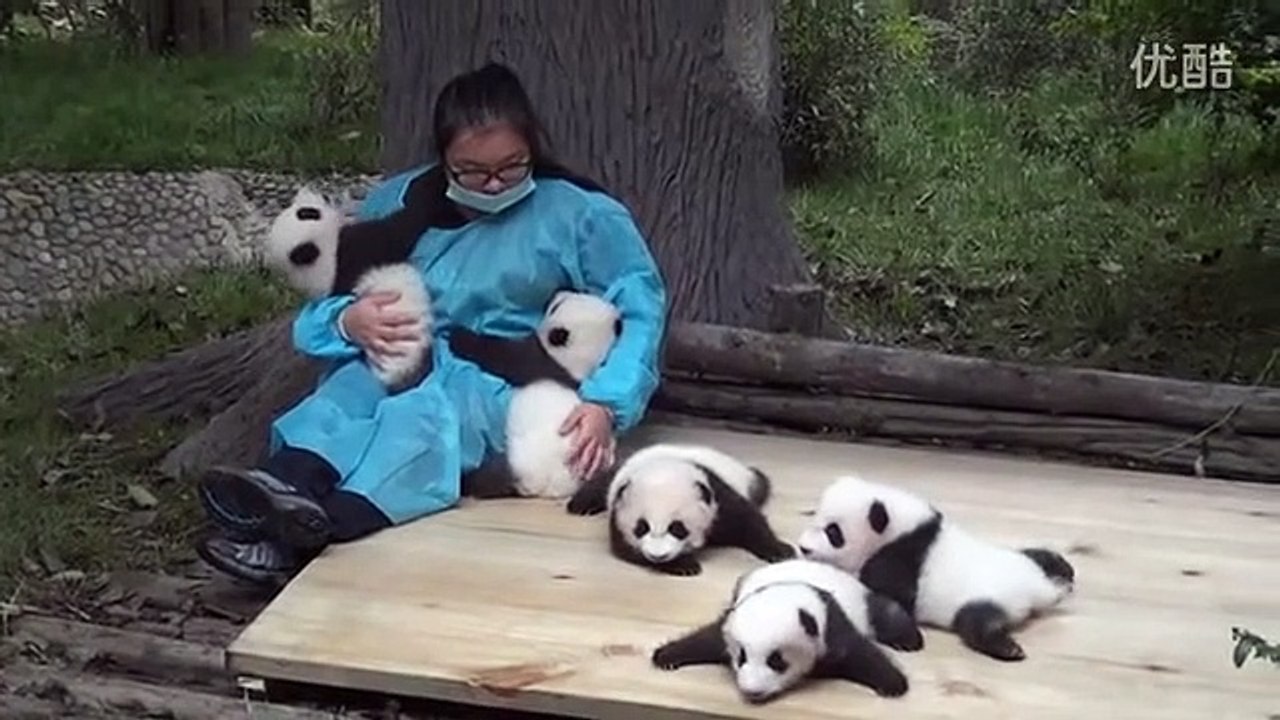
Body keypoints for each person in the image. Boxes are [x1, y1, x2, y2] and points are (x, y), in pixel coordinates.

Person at [195, 62, 668, 587]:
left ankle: (302, 533)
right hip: (407, 357)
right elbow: (336, 292)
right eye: (471, 170)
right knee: (349, 390)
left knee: (416, 425)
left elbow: (639, 303)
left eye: (511, 167)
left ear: (533, 147)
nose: (492, 184)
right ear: (442, 158)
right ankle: (280, 487)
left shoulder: (580, 214)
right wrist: (349, 322)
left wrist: (607, 400)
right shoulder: (400, 205)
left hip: (502, 385)